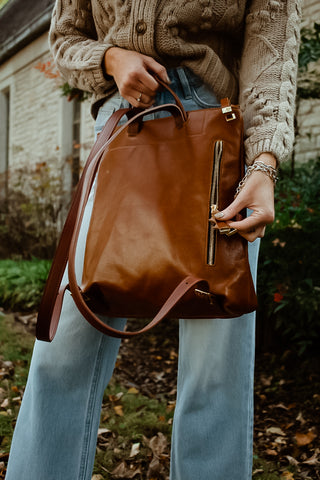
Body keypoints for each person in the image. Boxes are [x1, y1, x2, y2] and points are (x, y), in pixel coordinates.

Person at [6, 1, 301, 479]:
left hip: (219, 150)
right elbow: (64, 40)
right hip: (123, 135)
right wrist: (110, 59)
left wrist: (264, 162)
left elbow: (273, 43)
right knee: (61, 355)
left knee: (215, 374)